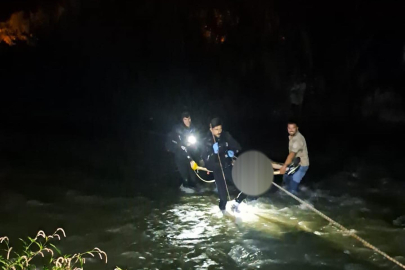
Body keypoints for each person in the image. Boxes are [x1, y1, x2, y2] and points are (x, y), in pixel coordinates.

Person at [201, 117, 247, 214]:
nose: (219, 131)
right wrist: (213, 153)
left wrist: (232, 151)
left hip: (228, 166)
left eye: (220, 129)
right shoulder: (207, 141)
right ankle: (223, 217)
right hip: (217, 169)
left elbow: (238, 146)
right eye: (216, 129)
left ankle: (236, 203)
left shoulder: (225, 135)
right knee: (223, 199)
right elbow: (207, 163)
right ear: (211, 129)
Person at [166, 111, 202, 193]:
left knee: (193, 174)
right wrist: (190, 159)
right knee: (184, 174)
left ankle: (194, 185)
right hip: (179, 153)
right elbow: (181, 146)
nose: (187, 121)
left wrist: (199, 158)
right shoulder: (178, 129)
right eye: (185, 119)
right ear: (182, 120)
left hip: (189, 153)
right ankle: (183, 187)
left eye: (189, 119)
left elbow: (197, 144)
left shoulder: (193, 128)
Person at [274, 120, 309, 194]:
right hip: (294, 163)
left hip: (302, 165)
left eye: (293, 128)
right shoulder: (291, 136)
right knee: (285, 180)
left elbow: (292, 154)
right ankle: (297, 188)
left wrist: (285, 166)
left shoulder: (298, 140)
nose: (291, 130)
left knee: (292, 189)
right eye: (289, 128)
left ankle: (296, 201)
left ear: (297, 128)